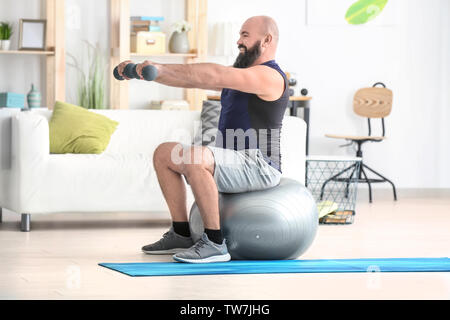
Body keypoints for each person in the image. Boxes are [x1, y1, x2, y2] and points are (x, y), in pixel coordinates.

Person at [116, 15, 289, 263]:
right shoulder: (244, 76)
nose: (238, 41)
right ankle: (181, 232)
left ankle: (215, 243)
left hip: (259, 165)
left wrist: (161, 68)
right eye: (240, 34)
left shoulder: (269, 76)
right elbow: (190, 78)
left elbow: (213, 75)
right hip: (232, 160)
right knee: (165, 153)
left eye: (245, 36)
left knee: (196, 156)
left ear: (267, 40)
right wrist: (148, 73)